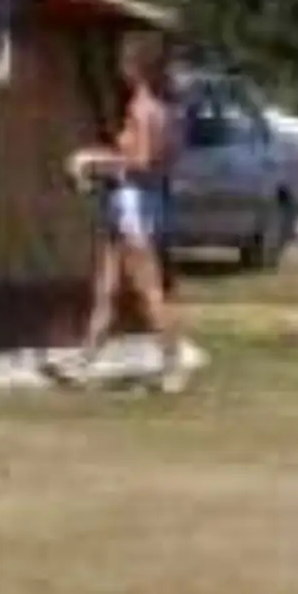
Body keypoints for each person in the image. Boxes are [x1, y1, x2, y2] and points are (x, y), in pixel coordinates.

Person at [48, 29, 195, 392]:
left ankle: (173, 367)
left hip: (135, 205)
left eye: (124, 61)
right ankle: (84, 361)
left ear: (137, 67)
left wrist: (94, 160)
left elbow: (142, 161)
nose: (119, 68)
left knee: (148, 290)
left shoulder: (145, 110)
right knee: (107, 288)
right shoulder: (157, 109)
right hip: (128, 201)